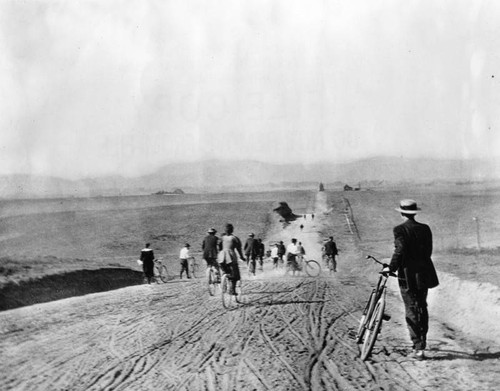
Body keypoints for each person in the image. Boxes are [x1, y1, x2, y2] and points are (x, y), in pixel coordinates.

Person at [383, 199, 439, 361]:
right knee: (422, 306)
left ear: (401, 213)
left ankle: (418, 347)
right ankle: (422, 343)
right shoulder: (425, 228)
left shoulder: (399, 229)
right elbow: (428, 251)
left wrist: (391, 268)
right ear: (415, 212)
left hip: (407, 275)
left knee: (411, 309)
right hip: (424, 273)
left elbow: (400, 251)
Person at [218, 223, 244, 295]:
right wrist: (242, 257)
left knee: (224, 271)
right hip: (231, 256)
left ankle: (223, 284)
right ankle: (232, 290)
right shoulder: (235, 238)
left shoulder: (222, 238)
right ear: (232, 230)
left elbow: (219, 247)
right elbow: (239, 249)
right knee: (235, 274)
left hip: (222, 256)